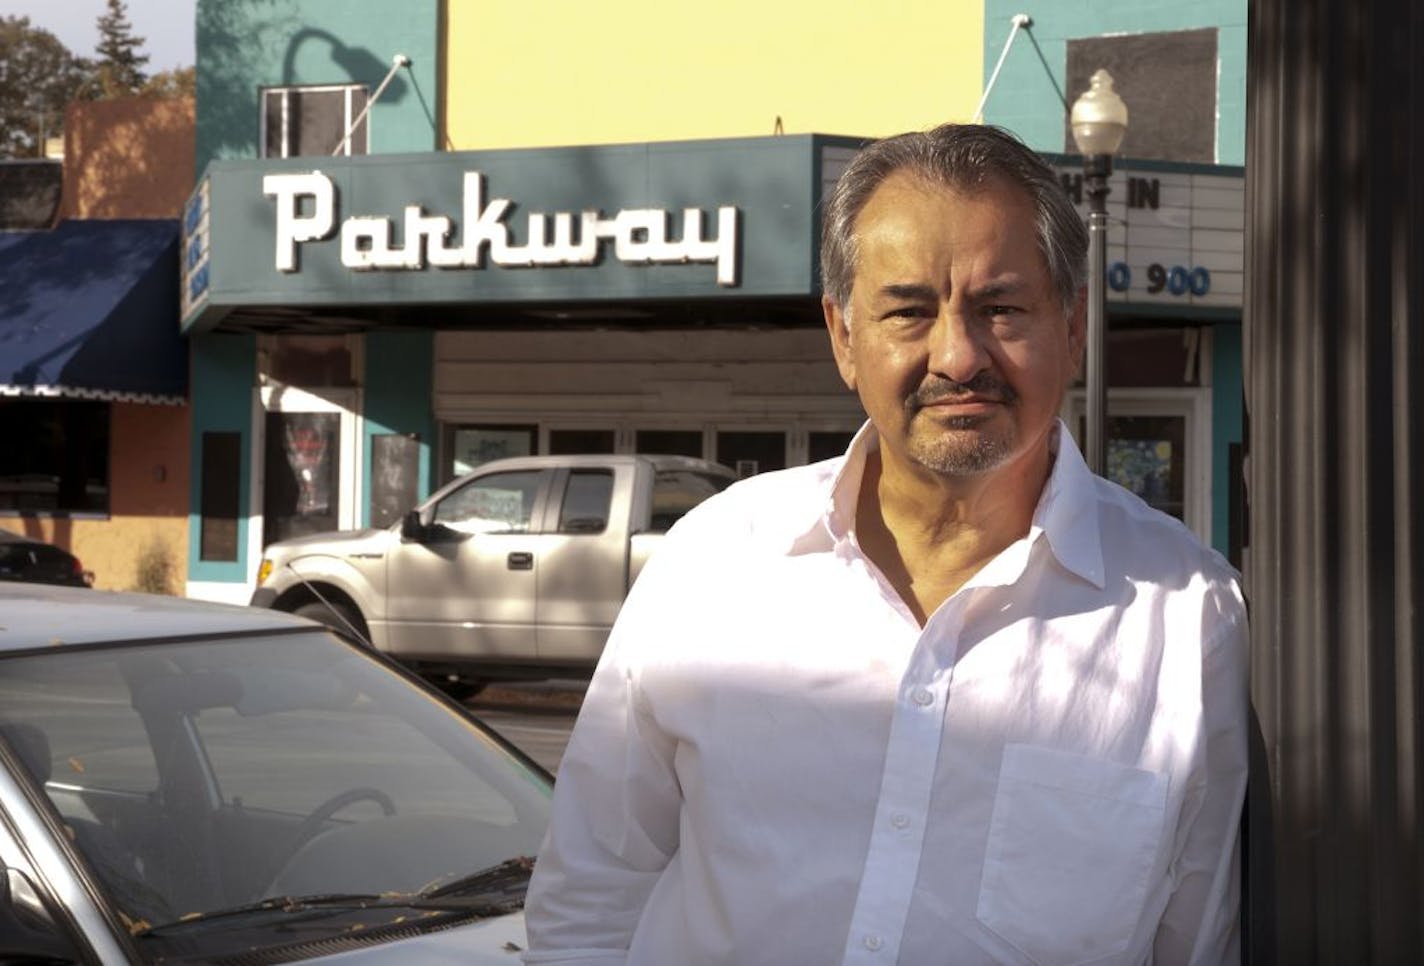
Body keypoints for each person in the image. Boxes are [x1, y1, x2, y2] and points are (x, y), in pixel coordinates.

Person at [523, 123, 1249, 966]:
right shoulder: (711, 562)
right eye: (908, 310)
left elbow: (1197, 944)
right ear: (842, 336)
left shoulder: (1188, 622)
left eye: (1002, 308)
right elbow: (592, 893)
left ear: (1073, 326)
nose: (958, 355)